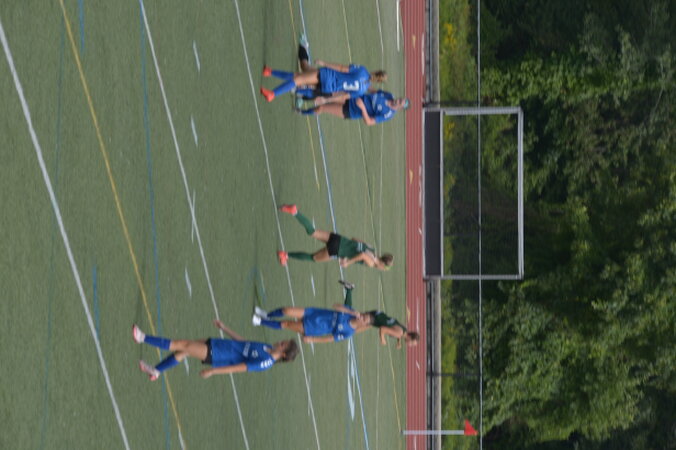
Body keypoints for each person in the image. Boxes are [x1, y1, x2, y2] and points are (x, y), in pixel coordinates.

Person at [132, 320, 298, 380]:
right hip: (220, 344)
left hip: (218, 354)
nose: (280, 342)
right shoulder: (268, 347)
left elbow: (238, 368)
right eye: (283, 341)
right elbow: (244, 343)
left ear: (283, 354)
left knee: (182, 345)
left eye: (283, 344)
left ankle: (142, 337)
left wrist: (213, 371)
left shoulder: (265, 362)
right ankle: (156, 371)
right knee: (183, 352)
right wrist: (225, 328)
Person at [275, 204, 393, 270]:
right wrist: (348, 262)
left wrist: (349, 250)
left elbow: (355, 239)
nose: (382, 270)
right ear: (382, 264)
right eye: (384, 269)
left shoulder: (371, 248)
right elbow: (362, 255)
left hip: (339, 239)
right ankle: (285, 255)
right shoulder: (371, 263)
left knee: (312, 232)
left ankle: (295, 212)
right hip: (337, 250)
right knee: (313, 258)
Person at [260, 41, 386, 103]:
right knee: (299, 76)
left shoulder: (362, 71)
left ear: (376, 72)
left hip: (328, 76)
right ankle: (270, 72)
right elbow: (343, 96)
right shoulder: (363, 90)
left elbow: (342, 68)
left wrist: (324, 63)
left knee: (298, 79)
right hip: (329, 88)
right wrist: (326, 100)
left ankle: (273, 94)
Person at [252, 280, 373, 344]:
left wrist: (312, 339)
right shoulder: (351, 312)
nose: (361, 317)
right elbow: (335, 306)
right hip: (314, 313)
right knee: (286, 310)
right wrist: (350, 311)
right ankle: (267, 315)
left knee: (286, 324)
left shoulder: (348, 332)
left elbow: (330, 339)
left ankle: (259, 321)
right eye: (363, 315)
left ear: (363, 325)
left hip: (313, 327)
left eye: (364, 319)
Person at [296, 90, 409, 126]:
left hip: (351, 111)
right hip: (352, 96)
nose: (397, 100)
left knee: (322, 108)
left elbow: (369, 122)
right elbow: (374, 91)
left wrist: (363, 108)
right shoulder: (389, 95)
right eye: (400, 99)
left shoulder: (388, 114)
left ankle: (301, 112)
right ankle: (302, 97)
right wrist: (364, 84)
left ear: (400, 108)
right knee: (327, 95)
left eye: (400, 102)